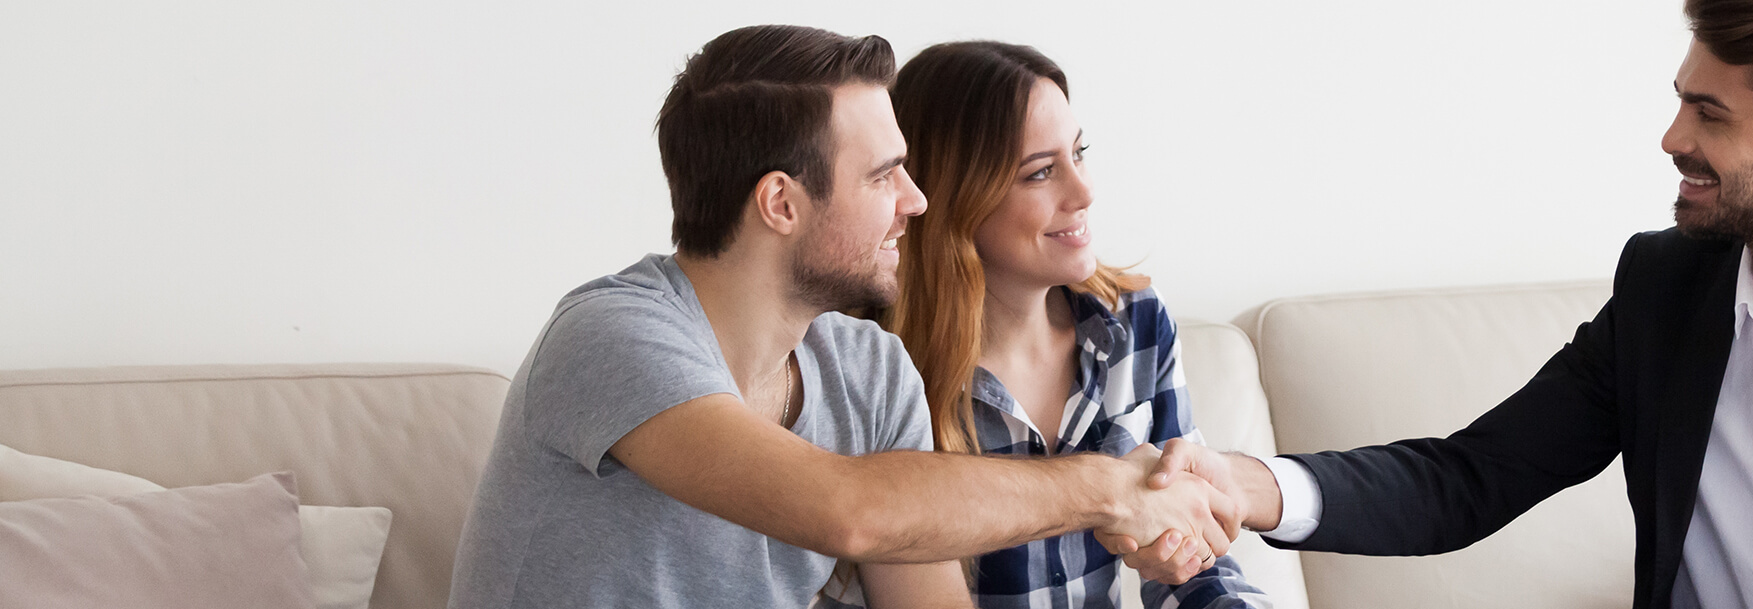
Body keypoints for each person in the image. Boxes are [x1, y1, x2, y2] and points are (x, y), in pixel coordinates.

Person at [1126, 0, 1753, 607]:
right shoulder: (1664, 293)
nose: (1670, 137)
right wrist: (1245, 486)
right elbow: (1470, 478)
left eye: (1709, 113)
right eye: (1679, 100)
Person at [447, 25, 1235, 609]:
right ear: (781, 203)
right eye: (886, 175)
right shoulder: (611, 335)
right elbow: (849, 511)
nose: (916, 203)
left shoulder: (868, 368)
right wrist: (1110, 485)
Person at [844, 40, 1269, 609]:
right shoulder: (871, 365)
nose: (1085, 191)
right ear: (948, 199)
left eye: (1079, 152)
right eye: (1041, 173)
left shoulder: (1134, 324)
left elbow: (1194, 565)